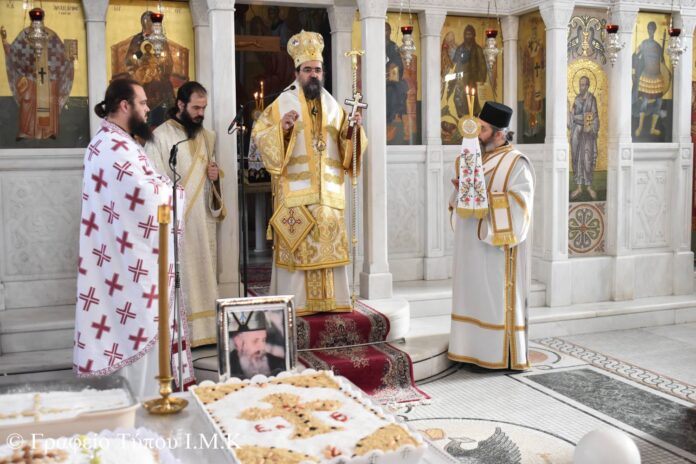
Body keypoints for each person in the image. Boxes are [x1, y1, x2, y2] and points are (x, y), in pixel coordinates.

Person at [74, 79, 195, 398]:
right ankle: (143, 401)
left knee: (128, 326)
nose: (147, 109)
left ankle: (137, 398)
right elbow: (145, 197)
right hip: (129, 262)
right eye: (142, 103)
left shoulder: (109, 142)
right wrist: (173, 192)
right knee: (139, 325)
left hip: (119, 255)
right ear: (124, 105)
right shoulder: (114, 147)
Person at [252, 30, 367, 317]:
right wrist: (283, 130)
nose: (313, 74)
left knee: (328, 250)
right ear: (297, 72)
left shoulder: (334, 106)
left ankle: (333, 302)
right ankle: (297, 304)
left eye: (317, 69)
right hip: (296, 197)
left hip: (328, 197)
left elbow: (347, 148)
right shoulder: (281, 104)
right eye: (307, 70)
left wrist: (353, 130)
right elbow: (260, 137)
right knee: (298, 252)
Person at [448, 101, 535, 370]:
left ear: (499, 134)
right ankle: (468, 350)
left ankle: (496, 356)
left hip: (495, 248)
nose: (477, 133)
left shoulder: (516, 162)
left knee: (492, 299)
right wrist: (462, 192)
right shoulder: (472, 158)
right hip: (469, 246)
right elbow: (458, 203)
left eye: (483, 129)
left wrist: (480, 196)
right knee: (470, 296)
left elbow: (521, 205)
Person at [145, 81, 224, 348]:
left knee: (204, 274)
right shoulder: (159, 137)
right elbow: (152, 183)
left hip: (203, 222)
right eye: (196, 108)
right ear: (180, 104)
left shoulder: (207, 137)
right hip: (177, 223)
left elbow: (210, 183)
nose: (201, 113)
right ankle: (183, 333)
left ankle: (207, 331)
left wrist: (215, 177)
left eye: (203, 108)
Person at [1, 11, 74, 140]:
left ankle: (49, 131)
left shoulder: (51, 35)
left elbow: (62, 55)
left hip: (49, 78)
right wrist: (5, 40)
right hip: (30, 78)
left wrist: (70, 55)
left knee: (50, 101)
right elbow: (14, 53)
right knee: (27, 100)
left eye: (38, 18)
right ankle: (26, 131)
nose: (36, 21)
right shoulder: (24, 34)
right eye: (35, 18)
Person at [228, 311, 285, 379]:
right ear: (238, 342)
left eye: (263, 340)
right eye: (255, 341)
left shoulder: (279, 363)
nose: (262, 347)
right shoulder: (228, 366)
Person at [569, 76, 599, 200]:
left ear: (588, 86)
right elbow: (572, 116)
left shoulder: (592, 99)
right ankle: (579, 187)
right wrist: (570, 114)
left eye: (584, 85)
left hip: (587, 134)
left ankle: (589, 187)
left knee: (587, 159)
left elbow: (594, 117)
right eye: (580, 84)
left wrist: (589, 125)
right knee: (577, 159)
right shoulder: (576, 99)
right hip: (577, 133)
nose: (581, 87)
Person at [633, 21, 665, 138]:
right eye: (649, 28)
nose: (651, 31)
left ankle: (652, 128)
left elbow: (663, 63)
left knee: (659, 102)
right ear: (647, 30)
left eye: (652, 29)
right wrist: (634, 71)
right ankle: (640, 127)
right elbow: (635, 55)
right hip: (646, 76)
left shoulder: (658, 46)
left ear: (655, 30)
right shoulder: (644, 44)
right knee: (644, 102)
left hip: (657, 77)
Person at [448, 25, 487, 118]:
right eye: (466, 34)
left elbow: (482, 65)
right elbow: (455, 65)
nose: (468, 36)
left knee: (474, 99)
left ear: (474, 35)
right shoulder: (460, 49)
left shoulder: (478, 49)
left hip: (474, 79)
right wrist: (453, 79)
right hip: (462, 79)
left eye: (470, 34)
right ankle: (461, 117)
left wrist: (481, 80)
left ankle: (474, 116)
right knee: (458, 98)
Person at [385, 22, 408, 126]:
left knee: (393, 91)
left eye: (386, 30)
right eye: (382, 30)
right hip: (376, 77)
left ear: (390, 32)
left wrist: (392, 66)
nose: (384, 33)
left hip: (391, 77)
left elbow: (398, 62)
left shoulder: (393, 46)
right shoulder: (374, 45)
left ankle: (390, 119)